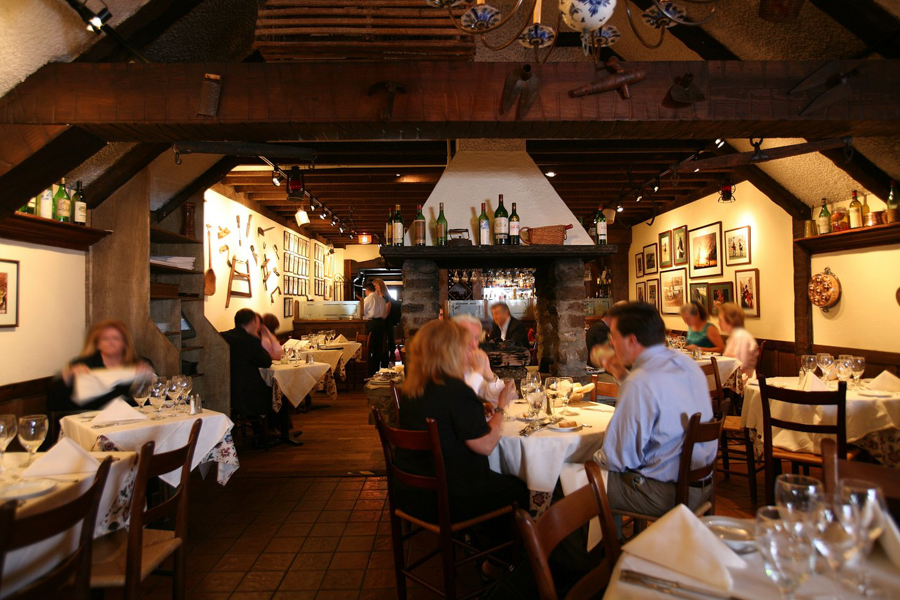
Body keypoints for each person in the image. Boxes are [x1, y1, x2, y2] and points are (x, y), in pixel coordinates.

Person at [396, 319, 527, 526]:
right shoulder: (455, 390)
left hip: (411, 494)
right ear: (450, 352)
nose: (469, 351)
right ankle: (500, 554)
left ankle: (478, 543)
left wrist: (475, 408)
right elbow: (486, 445)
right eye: (463, 346)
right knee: (521, 489)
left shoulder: (414, 388)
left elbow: (445, 417)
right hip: (451, 498)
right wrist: (501, 406)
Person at [593, 302, 716, 522]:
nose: (611, 343)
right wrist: (621, 374)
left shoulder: (641, 382)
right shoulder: (687, 365)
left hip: (667, 494)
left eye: (614, 337)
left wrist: (587, 456)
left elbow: (619, 459)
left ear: (631, 340)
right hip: (702, 485)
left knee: (576, 481)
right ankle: (614, 540)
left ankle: (608, 549)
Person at [221, 309, 300, 446]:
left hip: (228, 392)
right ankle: (278, 432)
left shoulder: (224, 336)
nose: (258, 327)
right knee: (280, 392)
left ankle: (265, 430)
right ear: (252, 322)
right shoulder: (250, 340)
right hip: (249, 395)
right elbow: (266, 362)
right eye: (257, 323)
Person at [48, 319, 154, 413]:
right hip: (91, 425)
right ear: (98, 344)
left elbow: (154, 399)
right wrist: (68, 377)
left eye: (115, 338)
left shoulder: (139, 364)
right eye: (105, 339)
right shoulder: (83, 365)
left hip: (130, 424)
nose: (110, 342)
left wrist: (147, 378)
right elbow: (55, 405)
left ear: (125, 343)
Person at [452, 314, 516, 407]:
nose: (474, 344)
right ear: (451, 338)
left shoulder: (472, 364)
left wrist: (490, 377)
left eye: (476, 338)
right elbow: (458, 405)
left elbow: (509, 400)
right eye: (467, 337)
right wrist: (477, 372)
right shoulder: (440, 365)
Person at [718, 302, 759, 382]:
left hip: (743, 382)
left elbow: (740, 365)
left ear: (730, 320)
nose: (718, 323)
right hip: (733, 380)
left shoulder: (741, 336)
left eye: (720, 320)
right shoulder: (733, 336)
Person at [362, 282, 388, 375]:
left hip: (372, 324)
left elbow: (362, 312)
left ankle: (369, 372)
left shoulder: (368, 298)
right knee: (378, 348)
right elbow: (385, 315)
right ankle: (376, 370)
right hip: (381, 324)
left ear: (367, 290)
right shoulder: (382, 299)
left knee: (369, 347)